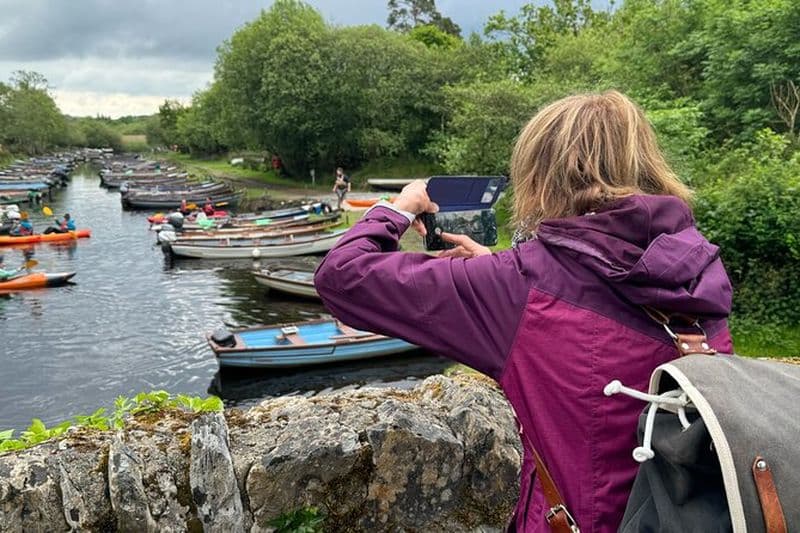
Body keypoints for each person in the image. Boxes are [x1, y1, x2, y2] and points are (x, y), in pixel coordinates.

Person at [314, 91, 733, 532]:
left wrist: (398, 209)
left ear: (541, 177)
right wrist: (495, 269)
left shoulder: (517, 288)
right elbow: (595, 290)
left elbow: (342, 276)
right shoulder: (694, 269)